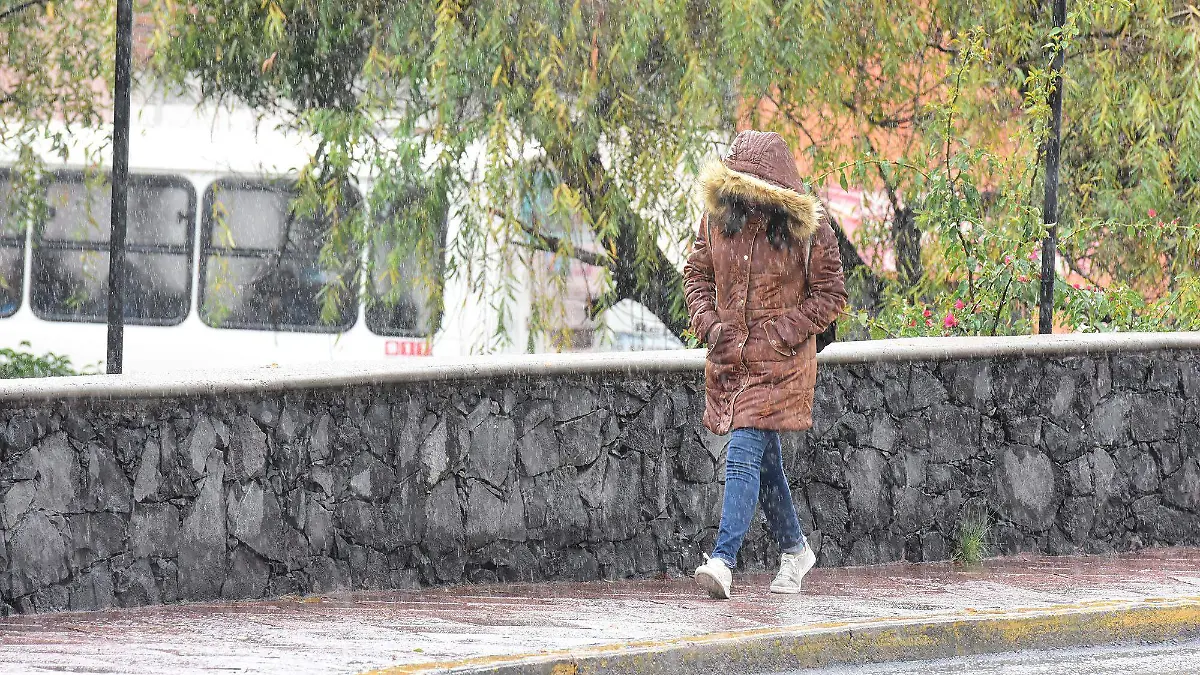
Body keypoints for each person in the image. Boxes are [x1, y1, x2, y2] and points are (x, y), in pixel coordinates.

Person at [683, 130, 847, 599]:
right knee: (765, 461)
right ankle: (795, 550)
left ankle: (723, 559)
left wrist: (782, 333)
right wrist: (710, 325)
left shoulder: (808, 229)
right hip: (731, 359)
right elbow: (696, 275)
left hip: (780, 364)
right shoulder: (717, 220)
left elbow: (831, 295)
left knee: (743, 448)